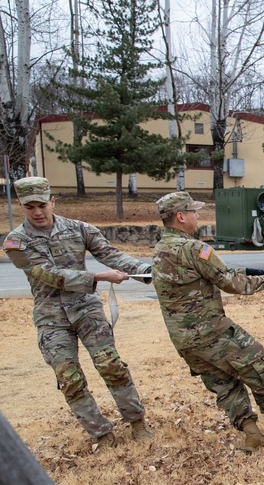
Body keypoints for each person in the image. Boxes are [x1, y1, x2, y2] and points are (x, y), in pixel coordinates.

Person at [2, 177, 154, 447]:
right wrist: (99, 278)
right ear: (21, 207)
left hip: (86, 309)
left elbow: (110, 254)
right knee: (68, 377)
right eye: (29, 207)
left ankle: (137, 421)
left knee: (111, 365)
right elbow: (47, 274)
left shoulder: (79, 229)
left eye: (41, 205)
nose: (37, 212)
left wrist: (144, 271)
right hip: (51, 319)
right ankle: (101, 433)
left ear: (52, 201)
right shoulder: (16, 242)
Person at [151, 192, 264, 453]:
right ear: (180, 216)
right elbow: (233, 285)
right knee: (259, 366)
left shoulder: (161, 249)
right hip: (211, 332)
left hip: (184, 340)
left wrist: (247, 270)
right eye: (193, 211)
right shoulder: (195, 248)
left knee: (222, 383)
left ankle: (252, 433)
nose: (197, 215)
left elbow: (209, 274)